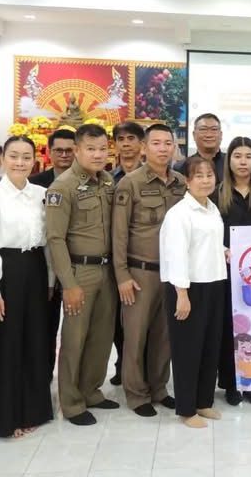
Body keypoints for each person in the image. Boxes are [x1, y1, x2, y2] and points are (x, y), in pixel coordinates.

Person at [0, 135, 55, 438]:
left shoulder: (41, 194)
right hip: (4, 271)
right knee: (4, 345)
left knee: (35, 341)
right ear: (4, 160)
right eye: (14, 156)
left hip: (35, 270)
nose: (20, 162)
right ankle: (5, 418)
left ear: (35, 160)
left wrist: (50, 279)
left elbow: (48, 242)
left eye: (26, 157)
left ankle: (33, 410)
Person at [45, 124, 119, 426]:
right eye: (91, 149)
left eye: (102, 149)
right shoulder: (62, 187)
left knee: (101, 337)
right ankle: (72, 402)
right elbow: (55, 239)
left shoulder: (107, 181)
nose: (98, 155)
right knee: (74, 340)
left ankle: (91, 390)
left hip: (107, 270)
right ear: (77, 150)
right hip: (80, 272)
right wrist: (69, 283)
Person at [111, 123, 183, 417]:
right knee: (136, 337)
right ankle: (137, 394)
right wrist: (122, 276)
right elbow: (118, 234)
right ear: (144, 147)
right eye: (156, 143)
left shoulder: (181, 183)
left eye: (168, 143)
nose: (163, 149)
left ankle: (159, 388)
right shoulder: (130, 183)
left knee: (164, 337)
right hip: (140, 274)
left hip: (172, 273)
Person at [160, 155, 229, 428]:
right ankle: (187, 409)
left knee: (210, 347)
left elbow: (206, 244)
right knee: (188, 350)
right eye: (198, 176)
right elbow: (176, 255)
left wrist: (225, 251)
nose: (205, 180)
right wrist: (182, 294)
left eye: (209, 175)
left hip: (215, 283)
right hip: (189, 288)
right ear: (187, 181)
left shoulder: (211, 208)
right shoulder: (179, 214)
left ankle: (203, 402)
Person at [211, 136, 251, 406]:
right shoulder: (215, 193)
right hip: (224, 272)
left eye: (248, 156)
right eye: (237, 156)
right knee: (227, 328)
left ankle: (250, 381)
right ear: (228, 160)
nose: (243, 162)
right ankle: (230, 384)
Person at [29, 127, 76, 381]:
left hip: (78, 264)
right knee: (45, 326)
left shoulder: (88, 180)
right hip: (45, 265)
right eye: (59, 150)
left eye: (69, 150)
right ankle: (43, 377)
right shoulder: (35, 184)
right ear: (49, 152)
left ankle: (74, 380)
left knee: (77, 329)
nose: (65, 155)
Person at [109, 120, 147, 386]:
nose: (126, 144)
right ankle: (122, 363)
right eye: (121, 139)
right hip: (115, 257)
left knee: (142, 320)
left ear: (141, 144)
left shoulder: (151, 176)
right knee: (116, 318)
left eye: (131, 138)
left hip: (144, 258)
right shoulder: (107, 179)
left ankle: (142, 369)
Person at [174, 113, 225, 180]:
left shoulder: (231, 163)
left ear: (221, 135)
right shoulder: (182, 166)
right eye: (203, 129)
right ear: (194, 135)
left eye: (214, 129)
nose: (209, 135)